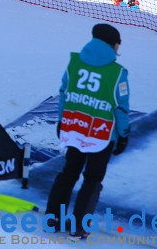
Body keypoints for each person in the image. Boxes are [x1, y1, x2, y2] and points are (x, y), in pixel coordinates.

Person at [45, 24, 130, 238]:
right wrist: (123, 135)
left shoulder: (74, 63)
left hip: (75, 129)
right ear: (113, 44)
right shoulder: (117, 73)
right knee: (92, 178)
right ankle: (79, 226)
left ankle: (53, 218)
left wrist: (62, 121)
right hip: (101, 135)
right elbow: (121, 108)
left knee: (69, 172)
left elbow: (64, 92)